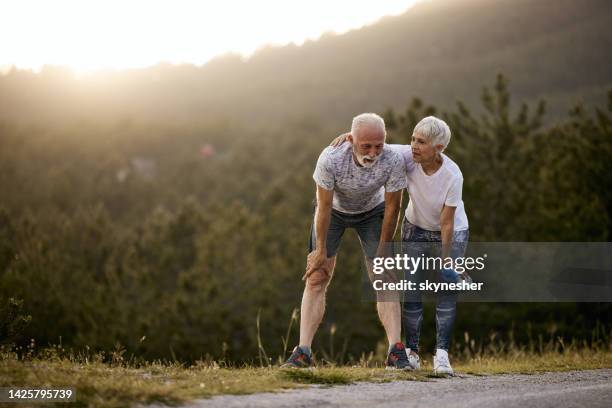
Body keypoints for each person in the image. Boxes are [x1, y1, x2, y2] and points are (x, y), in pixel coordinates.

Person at [329, 116, 469, 375]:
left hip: (451, 232)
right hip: (414, 227)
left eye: (421, 142)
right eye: (413, 139)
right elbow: (371, 143)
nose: (414, 145)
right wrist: (348, 138)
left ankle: (442, 355)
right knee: (412, 290)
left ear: (439, 148)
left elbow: (447, 222)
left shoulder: (452, 175)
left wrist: (448, 259)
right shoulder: (406, 155)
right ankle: (412, 353)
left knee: (445, 291)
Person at [282, 113, 412, 369]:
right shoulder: (330, 158)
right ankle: (303, 352)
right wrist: (320, 250)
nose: (374, 152)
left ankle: (396, 351)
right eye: (366, 146)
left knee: (384, 275)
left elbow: (393, 207)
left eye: (379, 145)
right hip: (334, 213)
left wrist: (385, 249)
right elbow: (324, 205)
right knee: (317, 275)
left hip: (373, 212)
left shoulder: (393, 159)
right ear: (351, 139)